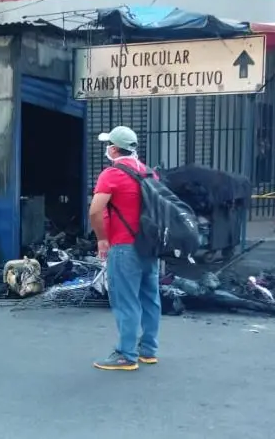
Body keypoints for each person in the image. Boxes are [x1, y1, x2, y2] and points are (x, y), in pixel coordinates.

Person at [89, 126, 161, 371]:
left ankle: (125, 355)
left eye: (108, 144)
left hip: (123, 247)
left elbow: (95, 210)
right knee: (150, 298)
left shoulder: (111, 174)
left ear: (113, 148)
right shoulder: (150, 173)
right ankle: (148, 350)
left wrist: (101, 239)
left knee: (126, 301)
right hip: (148, 247)